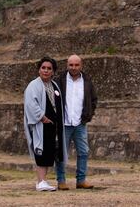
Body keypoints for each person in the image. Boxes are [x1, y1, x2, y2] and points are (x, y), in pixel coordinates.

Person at [24, 57, 67, 191]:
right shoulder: (33, 85)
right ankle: (41, 181)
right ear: (39, 69)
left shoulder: (54, 86)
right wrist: (42, 117)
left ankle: (43, 181)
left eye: (49, 68)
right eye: (43, 68)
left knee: (49, 151)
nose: (46, 71)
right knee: (41, 151)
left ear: (53, 71)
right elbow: (31, 103)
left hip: (53, 126)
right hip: (41, 125)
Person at [55, 54, 98, 190]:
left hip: (80, 123)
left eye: (76, 65)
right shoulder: (59, 81)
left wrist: (88, 116)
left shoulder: (87, 81)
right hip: (64, 124)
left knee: (84, 152)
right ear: (67, 65)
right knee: (61, 153)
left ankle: (81, 180)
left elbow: (93, 100)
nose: (73, 67)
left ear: (81, 65)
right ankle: (61, 181)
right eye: (71, 65)